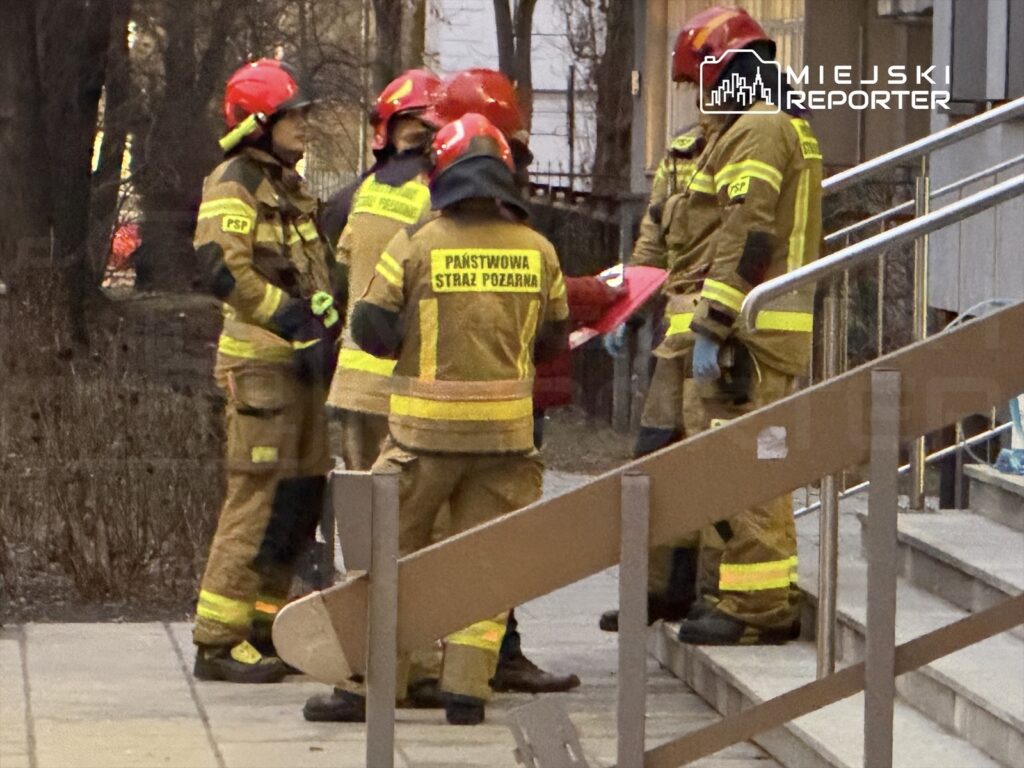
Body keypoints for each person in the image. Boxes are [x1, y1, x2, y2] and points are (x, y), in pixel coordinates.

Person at [309, 113, 570, 725]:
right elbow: (555, 339)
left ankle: (370, 688)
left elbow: (370, 328)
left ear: (443, 175)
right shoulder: (538, 249)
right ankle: (466, 691)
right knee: (484, 562)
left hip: (421, 441)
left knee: (389, 556)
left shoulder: (418, 243)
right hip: (508, 441)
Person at [667, 6, 822, 645]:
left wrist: (714, 319)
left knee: (747, 463)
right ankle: (744, 593)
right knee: (742, 461)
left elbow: (749, 230)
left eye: (701, 83)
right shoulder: (774, 123)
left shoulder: (757, 128)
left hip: (748, 332)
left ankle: (758, 609)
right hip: (758, 327)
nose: (701, 100)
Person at [191, 58, 344, 682]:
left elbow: (306, 270)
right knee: (256, 500)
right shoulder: (235, 182)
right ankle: (217, 641)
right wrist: (291, 319)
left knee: (299, 497)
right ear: (260, 123)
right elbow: (219, 269)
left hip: (299, 367)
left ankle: (264, 624)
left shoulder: (285, 185)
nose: (304, 124)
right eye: (293, 116)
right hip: (262, 371)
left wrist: (323, 313)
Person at [323, 69, 441, 472]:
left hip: (357, 381)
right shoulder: (435, 196)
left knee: (363, 500)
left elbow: (338, 277)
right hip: (409, 383)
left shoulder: (364, 192)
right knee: (406, 511)